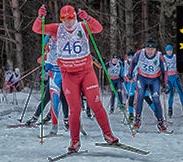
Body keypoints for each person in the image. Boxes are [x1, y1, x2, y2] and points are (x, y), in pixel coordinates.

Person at [33, 5, 119, 152]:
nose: (68, 22)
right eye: (64, 19)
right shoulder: (56, 28)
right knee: (75, 109)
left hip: (86, 73)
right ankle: (75, 142)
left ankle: (108, 135)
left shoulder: (82, 27)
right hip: (68, 75)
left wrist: (87, 18)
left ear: (75, 17)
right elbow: (37, 29)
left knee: (95, 104)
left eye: (71, 18)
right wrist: (40, 17)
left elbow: (98, 28)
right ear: (61, 19)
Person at [128, 39, 169, 132]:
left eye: (152, 49)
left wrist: (165, 84)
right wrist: (130, 74)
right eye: (148, 49)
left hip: (154, 79)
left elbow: (165, 71)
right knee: (140, 95)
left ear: (155, 50)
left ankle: (160, 122)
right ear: (145, 48)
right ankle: (137, 120)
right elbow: (133, 63)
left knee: (155, 98)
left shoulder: (159, 56)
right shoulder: (140, 53)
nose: (150, 51)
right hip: (142, 78)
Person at [44, 34, 69, 133]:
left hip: (66, 74)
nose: (53, 39)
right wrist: (46, 65)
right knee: (54, 100)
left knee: (67, 100)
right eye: (52, 38)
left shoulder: (65, 42)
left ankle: (68, 121)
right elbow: (45, 51)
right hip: (54, 75)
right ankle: (54, 126)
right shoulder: (50, 45)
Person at [124, 50, 155, 123]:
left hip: (138, 82)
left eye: (132, 57)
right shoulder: (126, 64)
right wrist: (128, 77)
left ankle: (156, 112)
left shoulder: (138, 62)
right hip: (130, 83)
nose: (130, 58)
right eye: (129, 57)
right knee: (131, 98)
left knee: (146, 97)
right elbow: (124, 74)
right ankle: (131, 115)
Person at [164, 45, 183, 117]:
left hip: (175, 77)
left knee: (180, 92)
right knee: (171, 94)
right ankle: (170, 109)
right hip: (169, 79)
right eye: (168, 51)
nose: (169, 52)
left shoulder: (175, 57)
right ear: (166, 51)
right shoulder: (164, 58)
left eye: (170, 50)